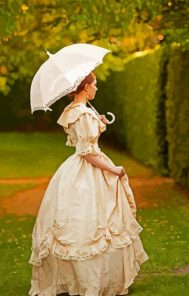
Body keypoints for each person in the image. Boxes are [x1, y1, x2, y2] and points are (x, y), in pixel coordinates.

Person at [28, 72, 149, 296]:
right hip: (87, 171)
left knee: (86, 222)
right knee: (89, 223)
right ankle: (89, 284)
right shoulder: (82, 114)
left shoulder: (75, 112)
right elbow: (86, 152)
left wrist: (97, 121)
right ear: (85, 88)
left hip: (76, 169)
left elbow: (81, 140)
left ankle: (86, 280)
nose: (97, 88)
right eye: (94, 85)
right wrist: (113, 169)